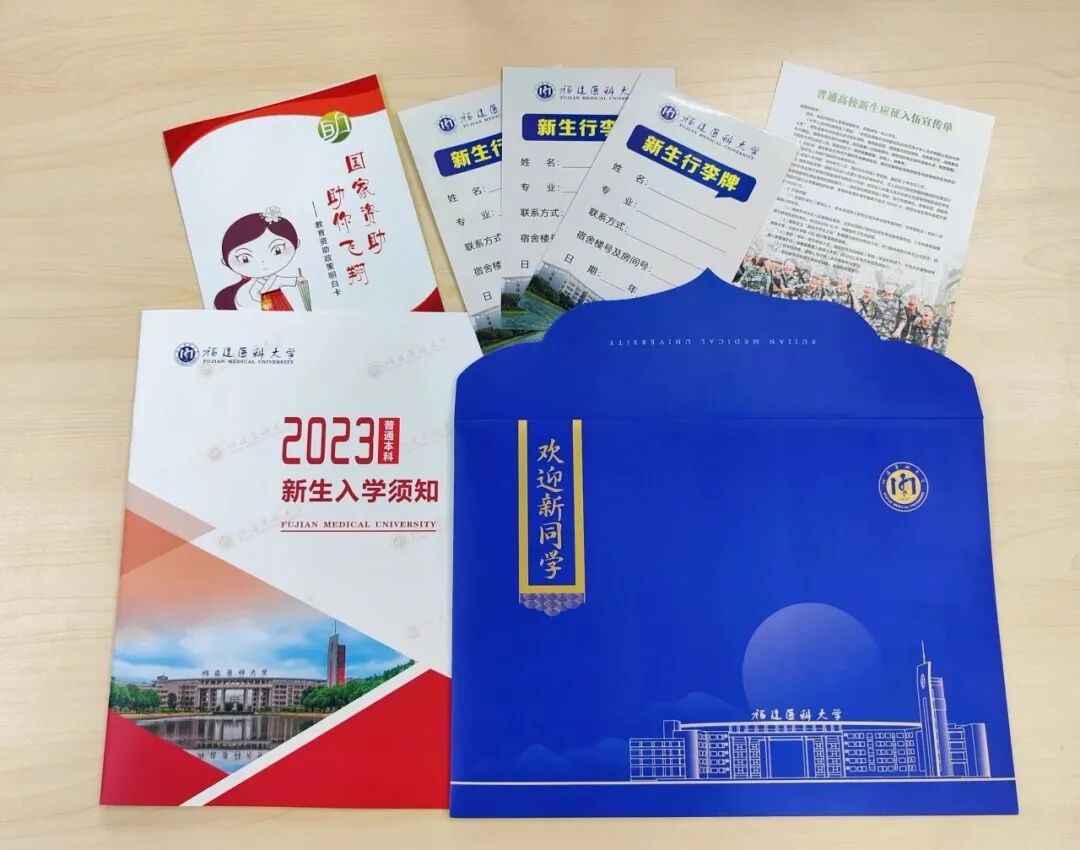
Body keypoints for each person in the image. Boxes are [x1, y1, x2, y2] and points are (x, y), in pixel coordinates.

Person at [215, 207, 310, 311]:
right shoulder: (250, 286)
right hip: (268, 305)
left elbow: (280, 280)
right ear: (225, 262)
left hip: (276, 302)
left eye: (277, 250)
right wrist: (264, 304)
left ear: (297, 243)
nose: (263, 262)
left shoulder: (271, 278)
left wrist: (297, 280)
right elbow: (253, 294)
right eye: (245, 259)